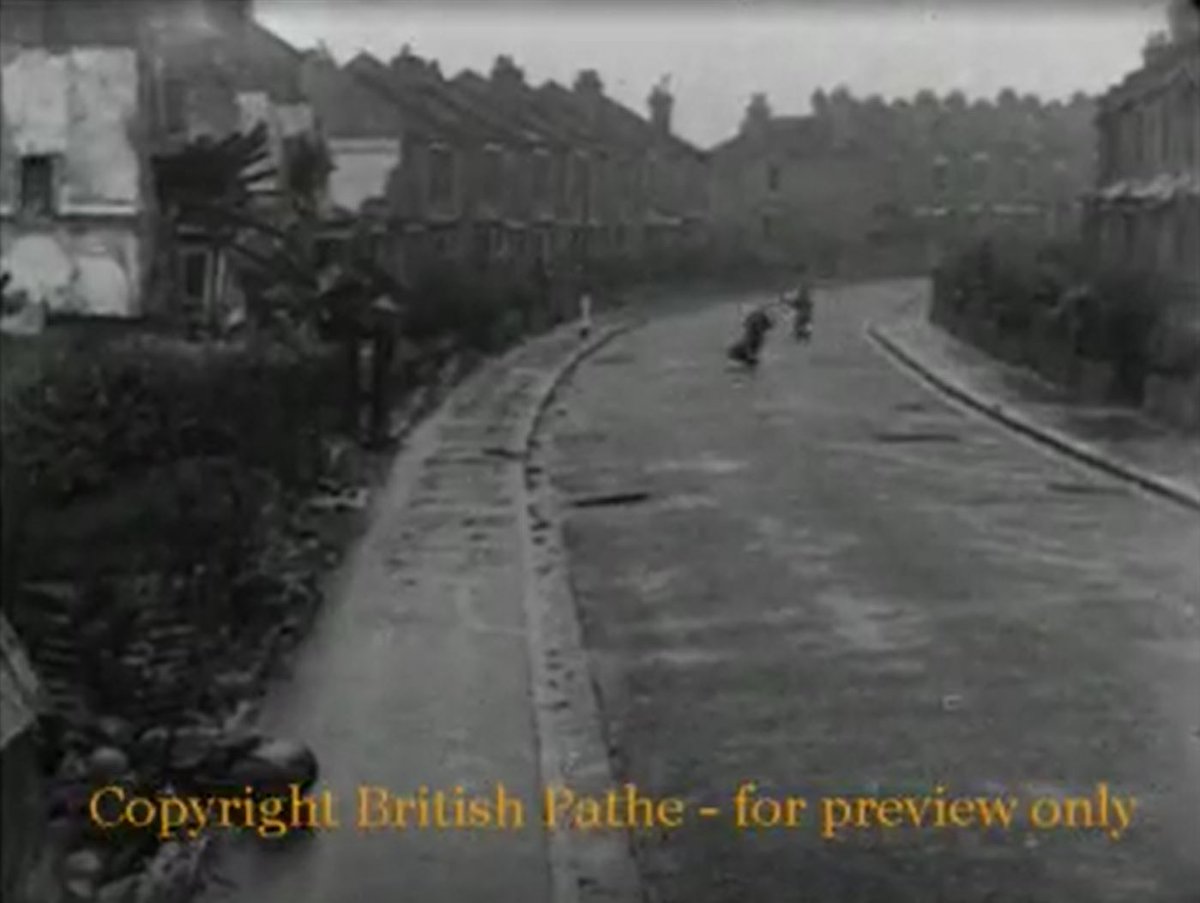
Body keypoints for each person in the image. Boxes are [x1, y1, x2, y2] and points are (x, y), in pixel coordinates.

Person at [728, 302, 774, 367]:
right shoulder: (754, 335)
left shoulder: (756, 316)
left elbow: (745, 324)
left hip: (739, 352)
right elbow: (749, 346)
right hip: (737, 353)